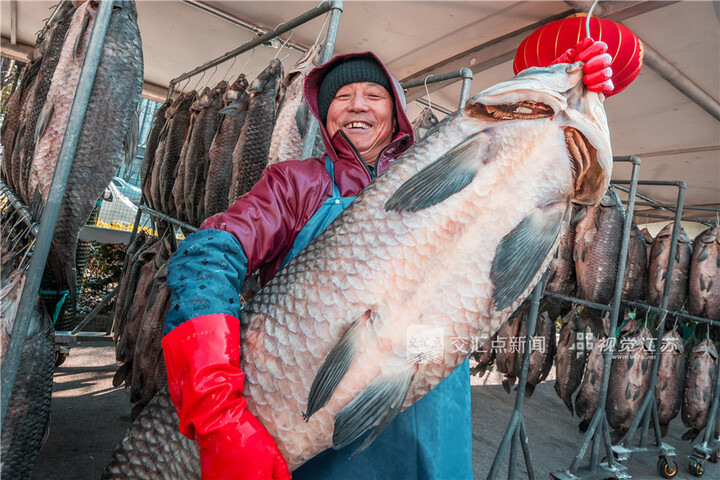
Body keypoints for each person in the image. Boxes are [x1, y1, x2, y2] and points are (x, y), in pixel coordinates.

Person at [161, 42, 614, 480]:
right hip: (305, 432)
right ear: (325, 114)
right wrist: (214, 403)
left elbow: (536, 178)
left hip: (431, 418)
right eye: (342, 96)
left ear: (395, 110)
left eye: (373, 95)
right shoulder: (295, 183)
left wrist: (569, 81)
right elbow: (207, 255)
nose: (357, 105)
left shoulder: (453, 162)